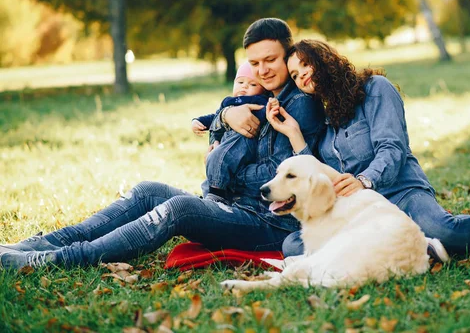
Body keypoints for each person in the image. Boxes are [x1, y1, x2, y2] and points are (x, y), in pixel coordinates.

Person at [0, 19, 325, 270]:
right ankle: (35, 245)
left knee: (178, 209)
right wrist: (225, 115)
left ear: (288, 55)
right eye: (254, 64)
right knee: (146, 190)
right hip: (233, 204)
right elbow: (224, 125)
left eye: (270, 60)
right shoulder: (261, 96)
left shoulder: (299, 107)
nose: (262, 70)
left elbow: (276, 178)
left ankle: (59, 259)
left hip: (267, 221)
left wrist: (221, 172)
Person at [263, 39, 470, 259]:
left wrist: (364, 180)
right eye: (293, 75)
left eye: (305, 64)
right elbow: (313, 172)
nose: (300, 74)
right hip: (357, 210)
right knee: (293, 246)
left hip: (401, 191)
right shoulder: (323, 119)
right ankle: (415, 248)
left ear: (325, 59)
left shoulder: (375, 89)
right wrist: (293, 133)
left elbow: (392, 149)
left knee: (448, 232)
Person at [191, 61, 270, 200]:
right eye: (240, 82)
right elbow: (216, 116)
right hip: (225, 143)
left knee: (220, 158)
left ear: (262, 89)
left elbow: (264, 113)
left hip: (243, 142)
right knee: (211, 174)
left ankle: (216, 198)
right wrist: (199, 121)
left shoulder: (259, 100)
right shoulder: (227, 102)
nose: (244, 86)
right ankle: (209, 199)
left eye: (253, 84)